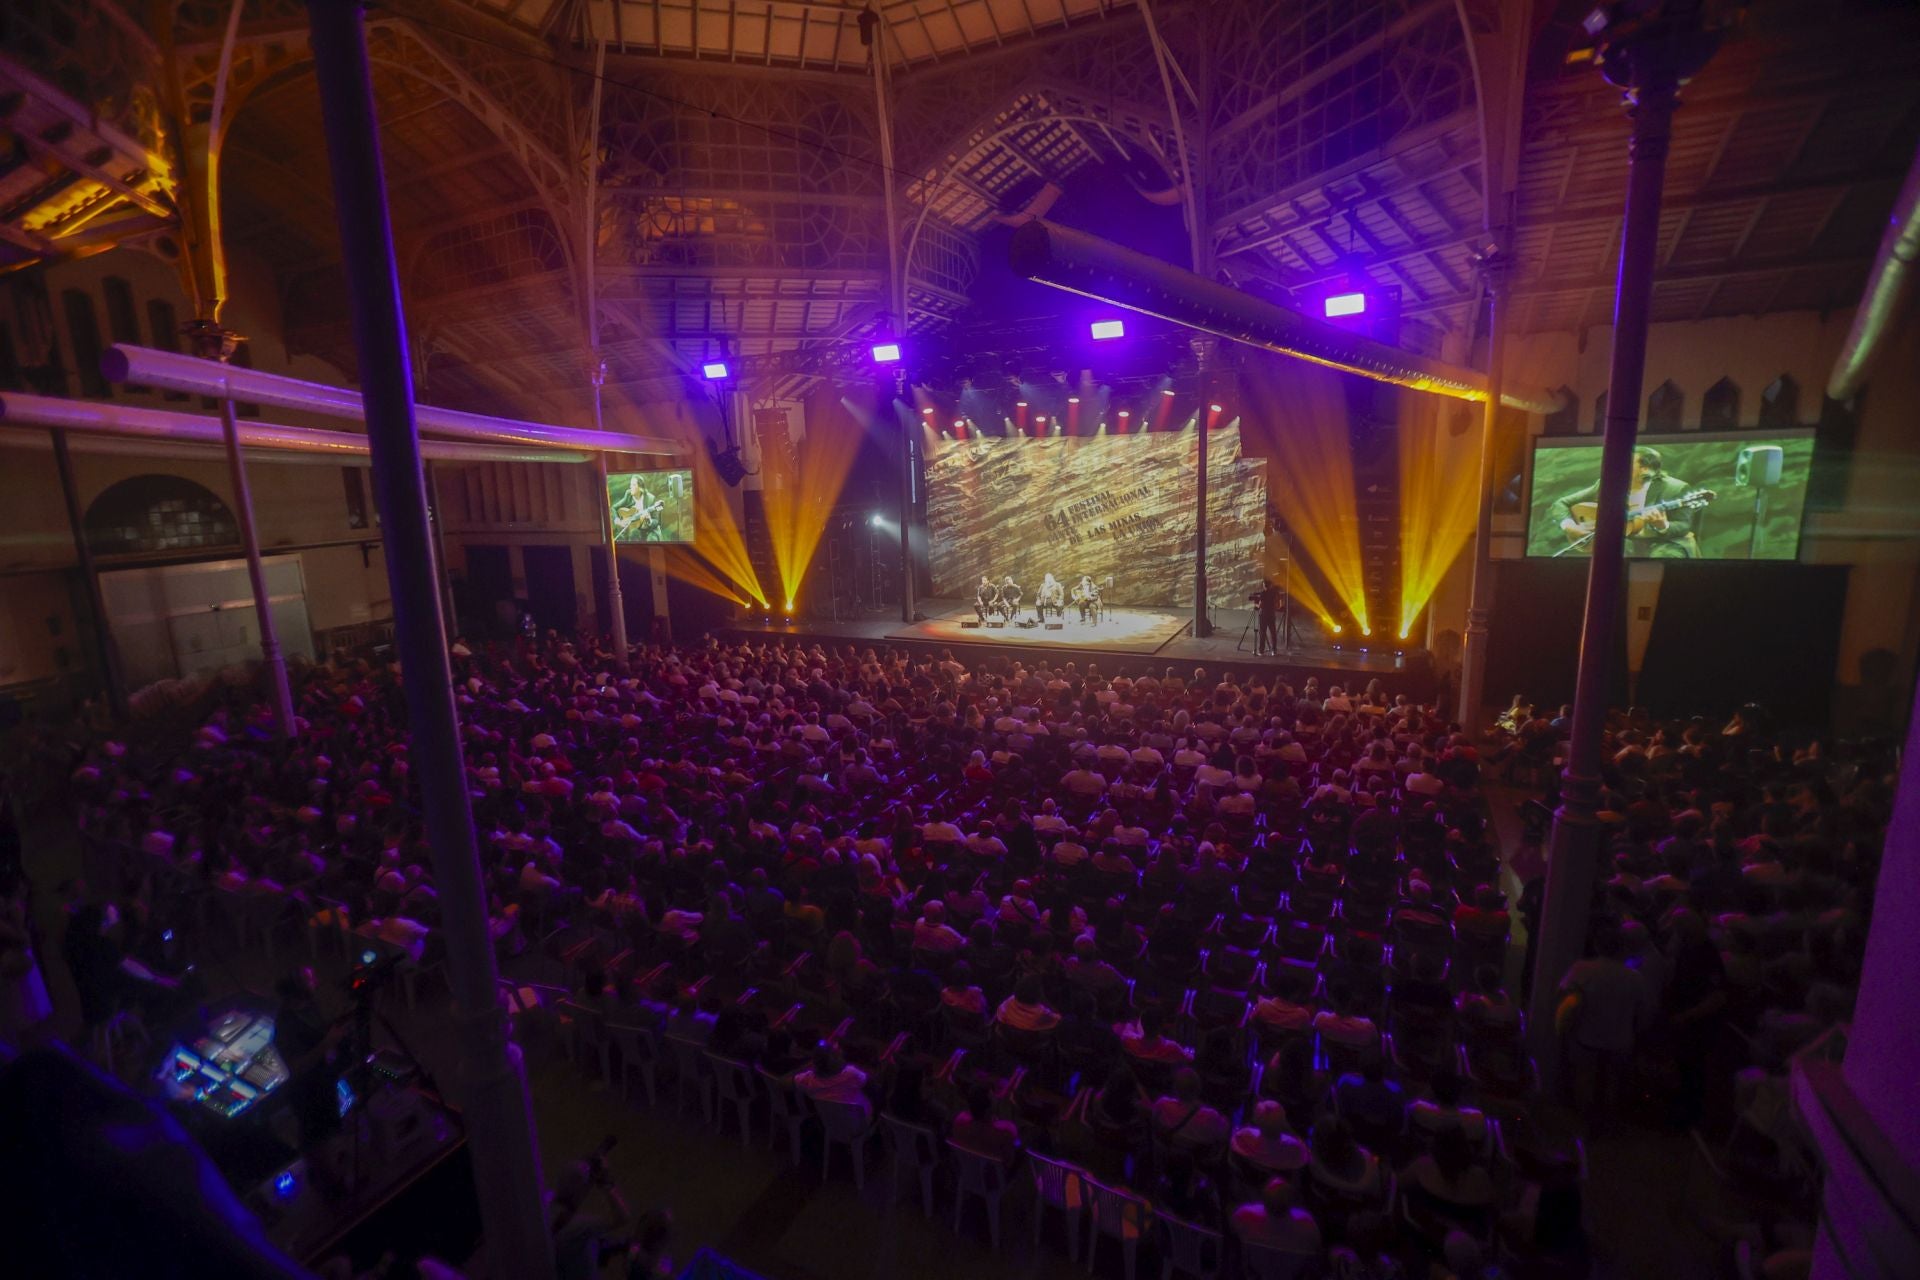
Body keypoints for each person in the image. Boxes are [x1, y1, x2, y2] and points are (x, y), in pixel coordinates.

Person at [1551, 444, 1709, 559]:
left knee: (1662, 558)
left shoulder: (1676, 488)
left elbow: (1683, 525)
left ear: (1644, 469)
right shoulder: (1608, 484)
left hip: (1664, 542)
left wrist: (1663, 526)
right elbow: (1561, 503)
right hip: (1626, 541)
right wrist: (1569, 526)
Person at [1230, 1177, 1322, 1253]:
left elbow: (1232, 1237)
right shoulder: (1306, 1223)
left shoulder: (1244, 1215)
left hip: (1251, 1271)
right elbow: (1314, 1249)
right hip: (1290, 1273)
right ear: (1292, 1201)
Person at [795, 1043, 870, 1116]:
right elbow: (869, 1083)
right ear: (835, 1059)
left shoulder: (807, 1078)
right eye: (836, 1055)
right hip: (853, 1123)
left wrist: (809, 1064)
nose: (841, 1054)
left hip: (825, 1123)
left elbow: (783, 1082)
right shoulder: (852, 1074)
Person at [950, 1084, 1019, 1162]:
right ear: (989, 1109)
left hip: (964, 1172)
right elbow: (1010, 1162)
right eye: (993, 1097)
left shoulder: (959, 1122)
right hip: (992, 1173)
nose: (996, 1097)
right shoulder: (1006, 1131)